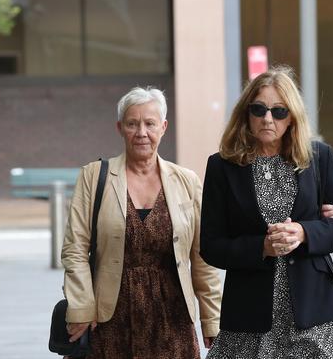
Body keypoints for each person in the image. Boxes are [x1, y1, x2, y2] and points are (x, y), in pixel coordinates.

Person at [199, 66, 333, 359]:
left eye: (279, 111)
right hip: (249, 315)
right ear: (246, 114)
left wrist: (305, 232)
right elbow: (210, 246)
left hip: (313, 314)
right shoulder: (222, 166)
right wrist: (262, 247)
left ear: (292, 117)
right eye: (258, 109)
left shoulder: (318, 158)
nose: (267, 118)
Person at [61, 86, 222, 358]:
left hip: (173, 317)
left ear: (163, 127)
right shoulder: (93, 176)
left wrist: (211, 319)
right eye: (132, 124)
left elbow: (201, 257)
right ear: (120, 128)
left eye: (150, 124)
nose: (141, 133)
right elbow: (75, 248)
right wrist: (81, 308)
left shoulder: (187, 181)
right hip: (109, 317)